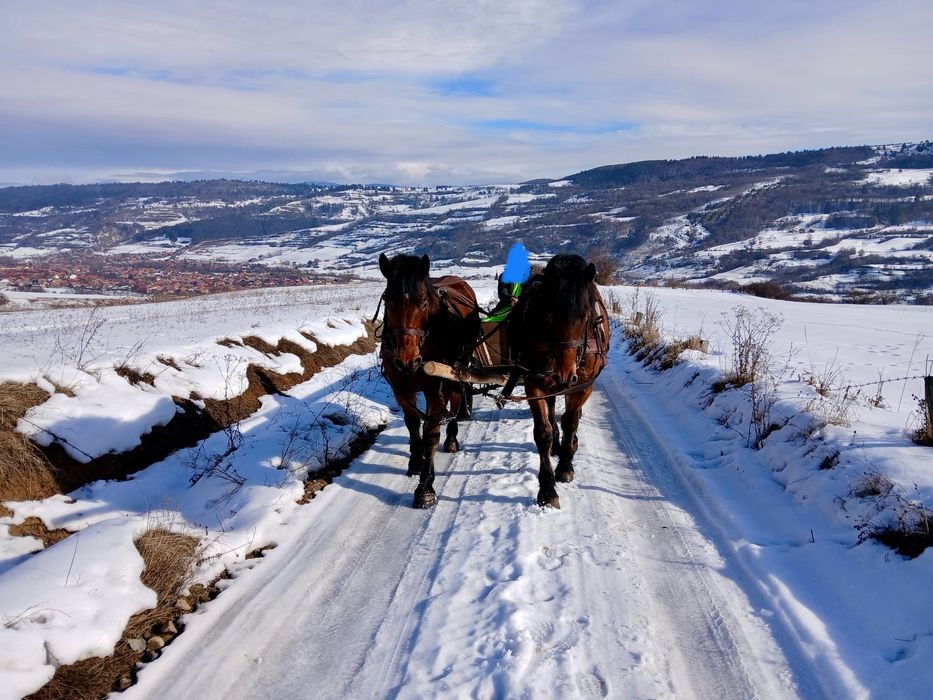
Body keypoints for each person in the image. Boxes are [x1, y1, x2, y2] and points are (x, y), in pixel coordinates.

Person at [484, 242, 531, 323]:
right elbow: (502, 293)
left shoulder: (530, 276)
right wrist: (511, 299)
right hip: (507, 307)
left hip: (526, 308)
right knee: (487, 322)